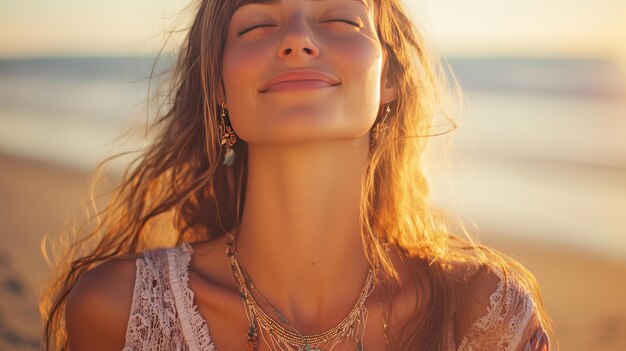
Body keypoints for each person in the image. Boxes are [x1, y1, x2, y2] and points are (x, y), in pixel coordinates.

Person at [40, 0, 554, 350]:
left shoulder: (486, 311)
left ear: (390, 78)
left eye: (340, 18)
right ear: (217, 83)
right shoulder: (117, 311)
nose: (297, 41)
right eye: (257, 23)